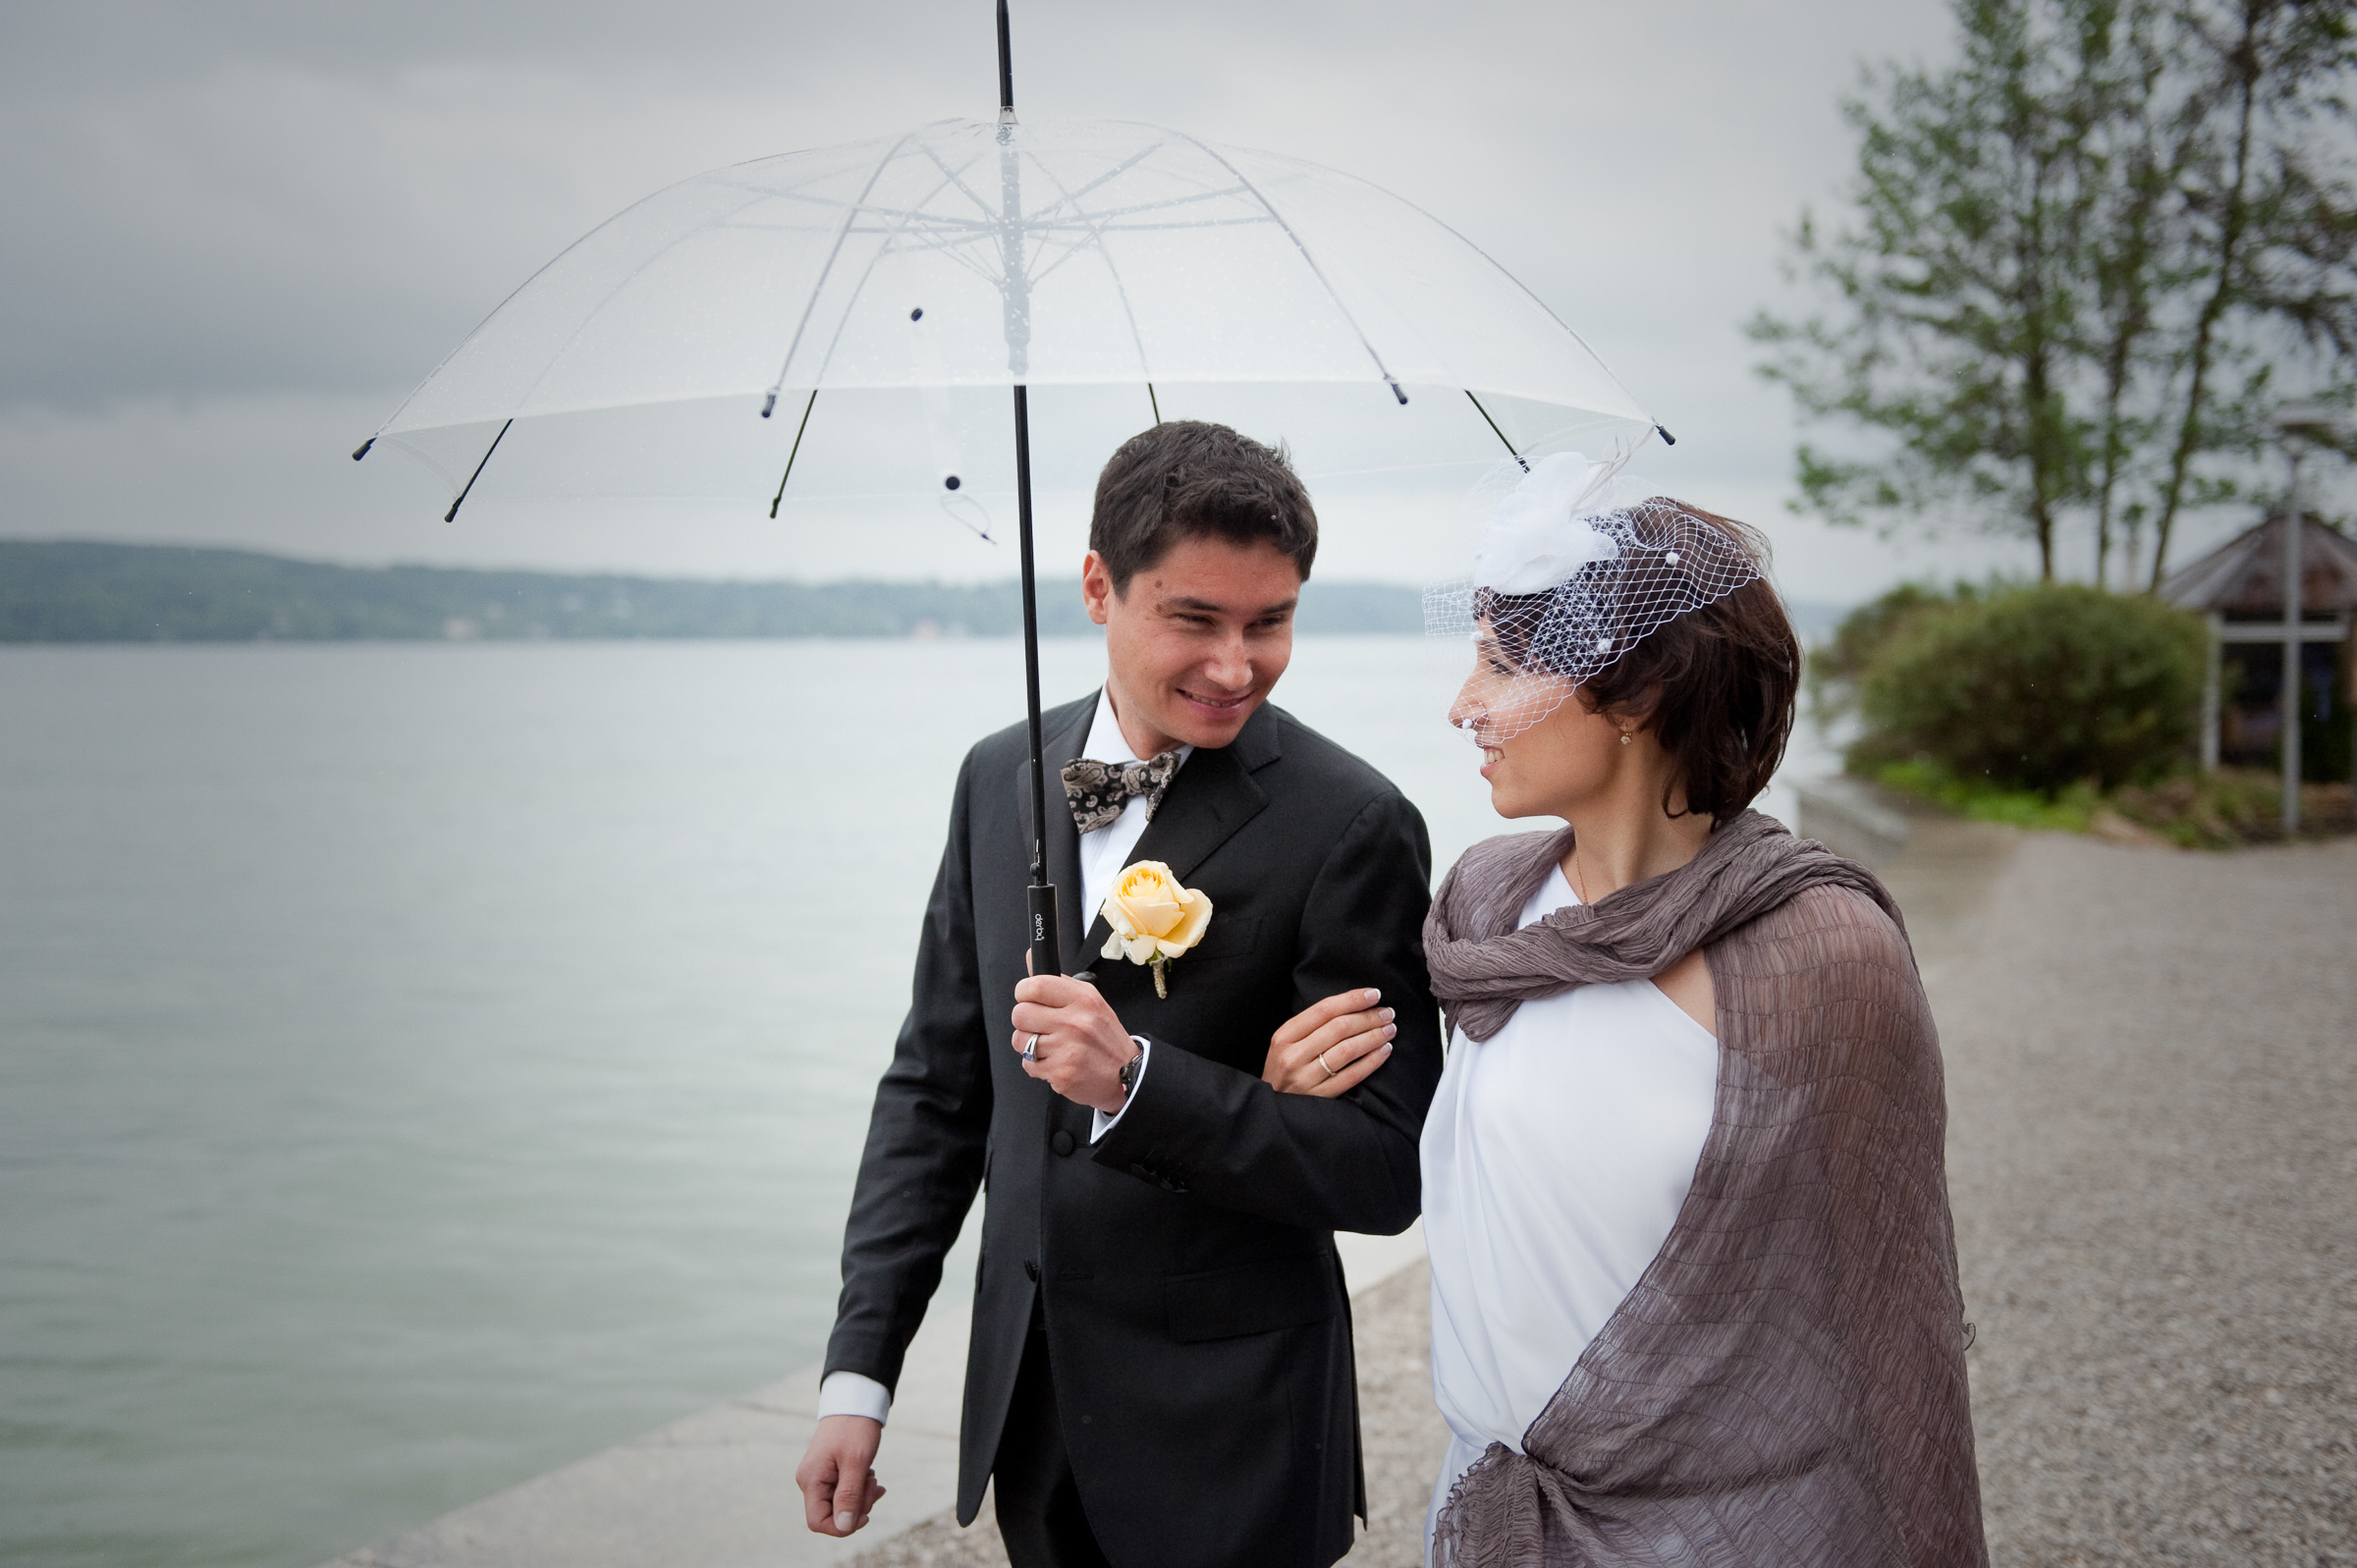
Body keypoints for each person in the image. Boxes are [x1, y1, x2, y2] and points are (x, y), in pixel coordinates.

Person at [1281, 453, 1985, 1565]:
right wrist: (1303, 1082)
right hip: (1485, 1508)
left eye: (1500, 666)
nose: (1462, 705)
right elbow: (1431, 1165)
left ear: (1635, 694)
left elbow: (1889, 1315)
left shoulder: (1820, 952)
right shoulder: (1486, 900)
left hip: (1727, 1527)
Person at [794, 420, 1444, 1568]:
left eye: (1271, 621)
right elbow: (936, 1097)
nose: (1236, 666)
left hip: (1237, 1428)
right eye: (1195, 619)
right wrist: (861, 1373)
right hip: (1032, 1414)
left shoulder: (1353, 823)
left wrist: (1141, 1084)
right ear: (1099, 585)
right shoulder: (997, 776)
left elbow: (1389, 1172)